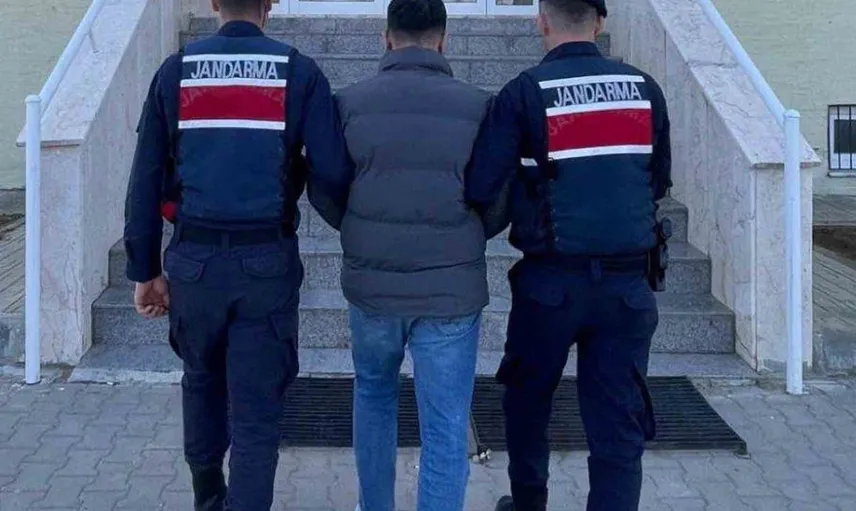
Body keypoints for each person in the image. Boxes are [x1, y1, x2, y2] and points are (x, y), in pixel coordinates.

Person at [123, 0, 353, 509]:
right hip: (265, 266)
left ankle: (208, 497)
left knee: (201, 385)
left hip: (194, 266)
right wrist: (301, 186)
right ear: (269, 4)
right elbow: (334, 170)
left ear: (213, 3)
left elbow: (145, 178)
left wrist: (145, 269)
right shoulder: (298, 72)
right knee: (255, 416)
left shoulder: (176, 71)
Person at [464, 0, 672, 510]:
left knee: (528, 402)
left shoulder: (525, 92)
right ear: (599, 22)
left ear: (541, 21)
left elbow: (481, 184)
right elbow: (658, 181)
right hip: (627, 286)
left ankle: (528, 503)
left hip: (550, 285)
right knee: (617, 420)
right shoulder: (644, 90)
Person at [310, 0, 503, 509]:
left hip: (373, 288)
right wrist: (468, 235)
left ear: (386, 37)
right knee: (445, 423)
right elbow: (498, 195)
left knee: (374, 397)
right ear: (443, 40)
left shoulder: (348, 104)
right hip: (451, 291)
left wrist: (359, 229)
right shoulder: (479, 106)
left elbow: (325, 186)